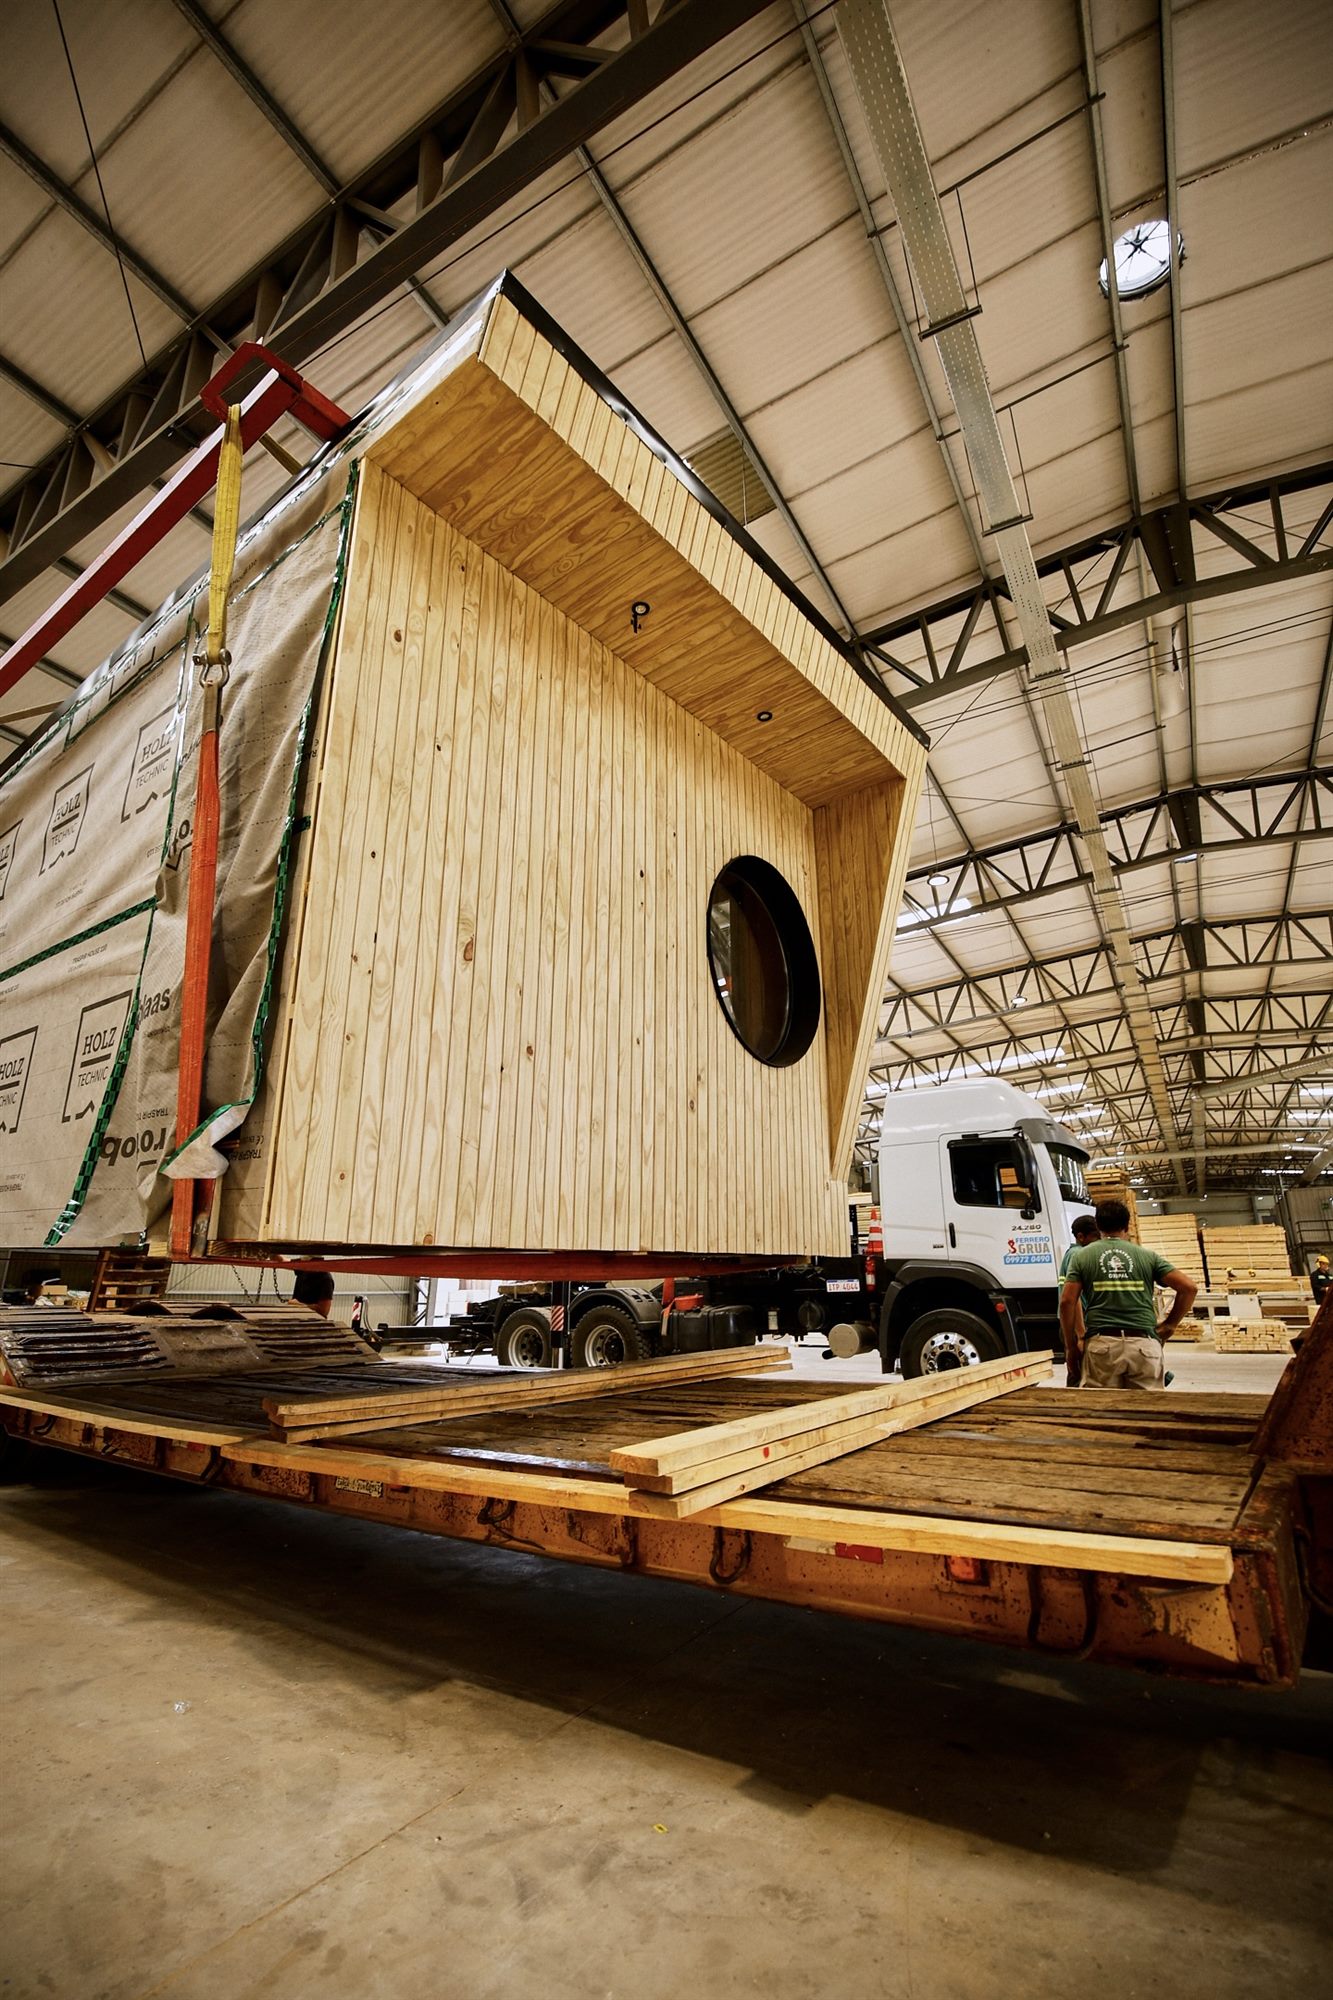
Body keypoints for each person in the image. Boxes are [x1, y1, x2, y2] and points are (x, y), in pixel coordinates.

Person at [1059, 1199, 1197, 1390]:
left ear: (1098, 1226)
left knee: (1103, 1412)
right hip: (1144, 1345)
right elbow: (1189, 1288)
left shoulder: (1082, 1256)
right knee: (1147, 1413)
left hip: (1102, 1345)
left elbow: (1067, 1301)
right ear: (1127, 1225)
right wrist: (1169, 1325)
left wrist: (1072, 1346)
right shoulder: (1147, 1256)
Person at [1058, 1215, 1100, 1385]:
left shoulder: (1072, 1253)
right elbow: (1071, 1299)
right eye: (1095, 1238)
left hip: (1074, 1324)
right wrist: (1081, 1334)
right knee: (1080, 1373)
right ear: (1081, 1237)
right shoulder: (1079, 1254)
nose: (1098, 1242)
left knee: (1076, 1372)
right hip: (1077, 1324)